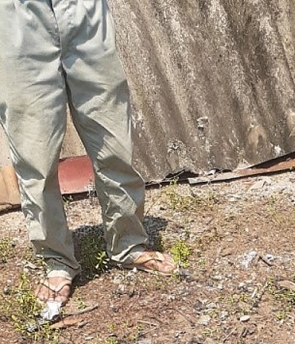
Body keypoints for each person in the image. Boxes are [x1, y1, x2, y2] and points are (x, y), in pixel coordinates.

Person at [0, 0, 176, 309]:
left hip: (83, 9)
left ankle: (129, 244)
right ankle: (57, 261)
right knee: (35, 156)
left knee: (113, 141)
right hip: (15, 16)